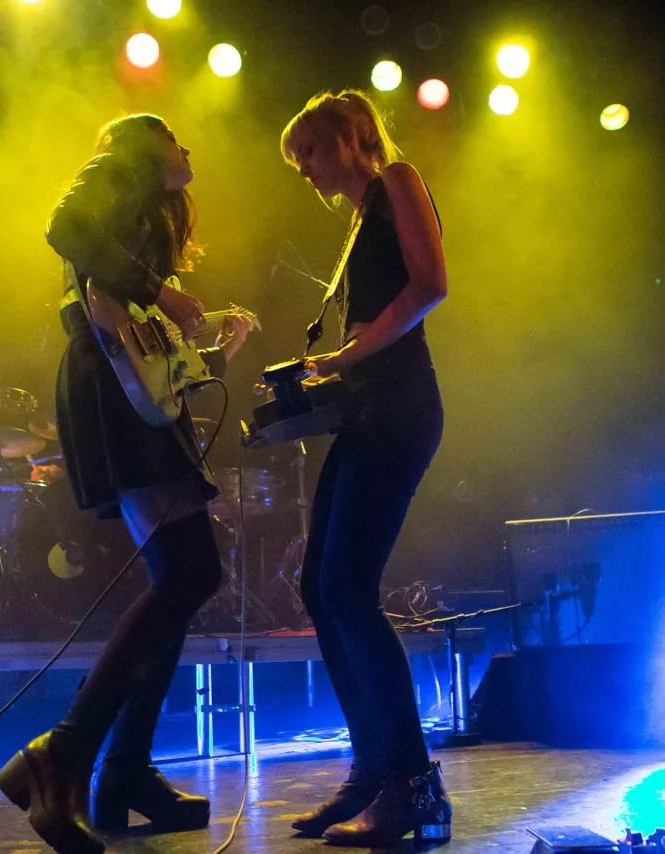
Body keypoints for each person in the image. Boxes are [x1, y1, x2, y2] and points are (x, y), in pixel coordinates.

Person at [0, 114, 253, 854]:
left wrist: (216, 352)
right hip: (105, 392)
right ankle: (67, 755)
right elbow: (62, 226)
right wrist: (161, 292)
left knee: (184, 574)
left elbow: (160, 369)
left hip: (124, 390)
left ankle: (121, 773)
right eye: (175, 137)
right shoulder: (113, 172)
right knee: (189, 572)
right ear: (147, 148)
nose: (188, 149)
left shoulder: (146, 223)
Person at [279, 90, 452, 846]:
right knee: (321, 587)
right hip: (367, 411)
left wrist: (346, 354)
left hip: (401, 409)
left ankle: (414, 786)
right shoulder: (357, 222)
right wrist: (324, 375)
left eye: (310, 151)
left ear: (351, 135)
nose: (306, 171)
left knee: (347, 587)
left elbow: (430, 284)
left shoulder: (399, 179)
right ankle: (374, 769)